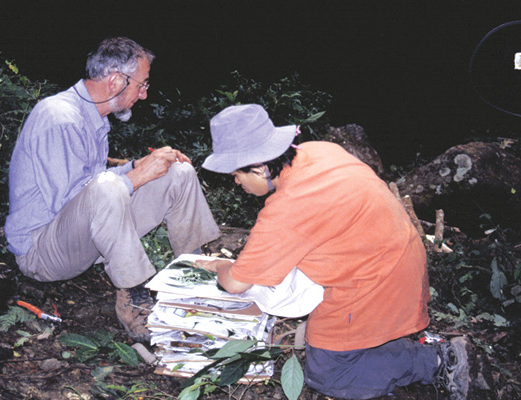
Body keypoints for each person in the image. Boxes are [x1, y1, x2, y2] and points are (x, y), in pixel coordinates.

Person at [198, 104, 477, 400]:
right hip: (401, 258)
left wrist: (217, 266)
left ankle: (440, 360)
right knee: (335, 343)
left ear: (260, 167)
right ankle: (392, 345)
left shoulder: (288, 207)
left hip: (377, 283)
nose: (236, 181)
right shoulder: (317, 151)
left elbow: (235, 283)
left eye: (235, 174)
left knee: (329, 375)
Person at [4, 37, 220, 342]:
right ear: (116, 81)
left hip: (83, 236)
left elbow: (92, 185)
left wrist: (139, 165)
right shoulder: (60, 117)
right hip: (43, 251)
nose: (143, 95)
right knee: (109, 187)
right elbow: (75, 199)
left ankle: (196, 277)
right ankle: (135, 297)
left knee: (178, 172)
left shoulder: (94, 118)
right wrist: (136, 176)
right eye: (142, 85)